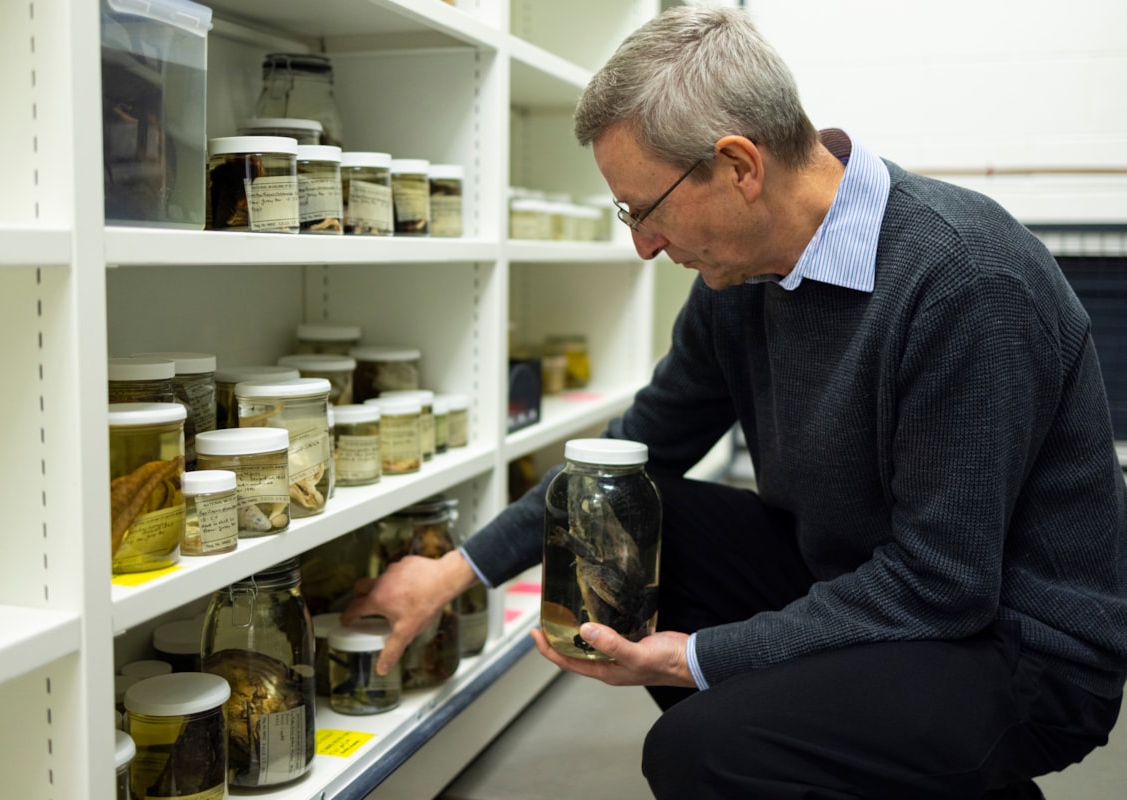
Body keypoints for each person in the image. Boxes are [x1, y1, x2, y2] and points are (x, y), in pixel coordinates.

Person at [342, 6, 1127, 798]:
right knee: (628, 512)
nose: (642, 245)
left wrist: (695, 660)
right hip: (864, 579)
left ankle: (909, 760)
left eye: (644, 209)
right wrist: (450, 573)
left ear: (739, 165)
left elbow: (943, 583)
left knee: (701, 748)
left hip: (1014, 645)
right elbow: (633, 446)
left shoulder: (964, 282)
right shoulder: (739, 279)